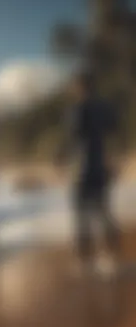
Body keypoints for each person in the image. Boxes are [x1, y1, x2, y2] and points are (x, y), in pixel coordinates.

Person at [55, 71, 127, 275]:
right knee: (104, 210)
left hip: (82, 170)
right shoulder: (105, 108)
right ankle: (114, 257)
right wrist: (117, 161)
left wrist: (59, 158)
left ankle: (85, 261)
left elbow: (72, 137)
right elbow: (119, 133)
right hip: (101, 168)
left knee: (81, 214)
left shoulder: (77, 109)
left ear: (80, 87)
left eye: (74, 87)